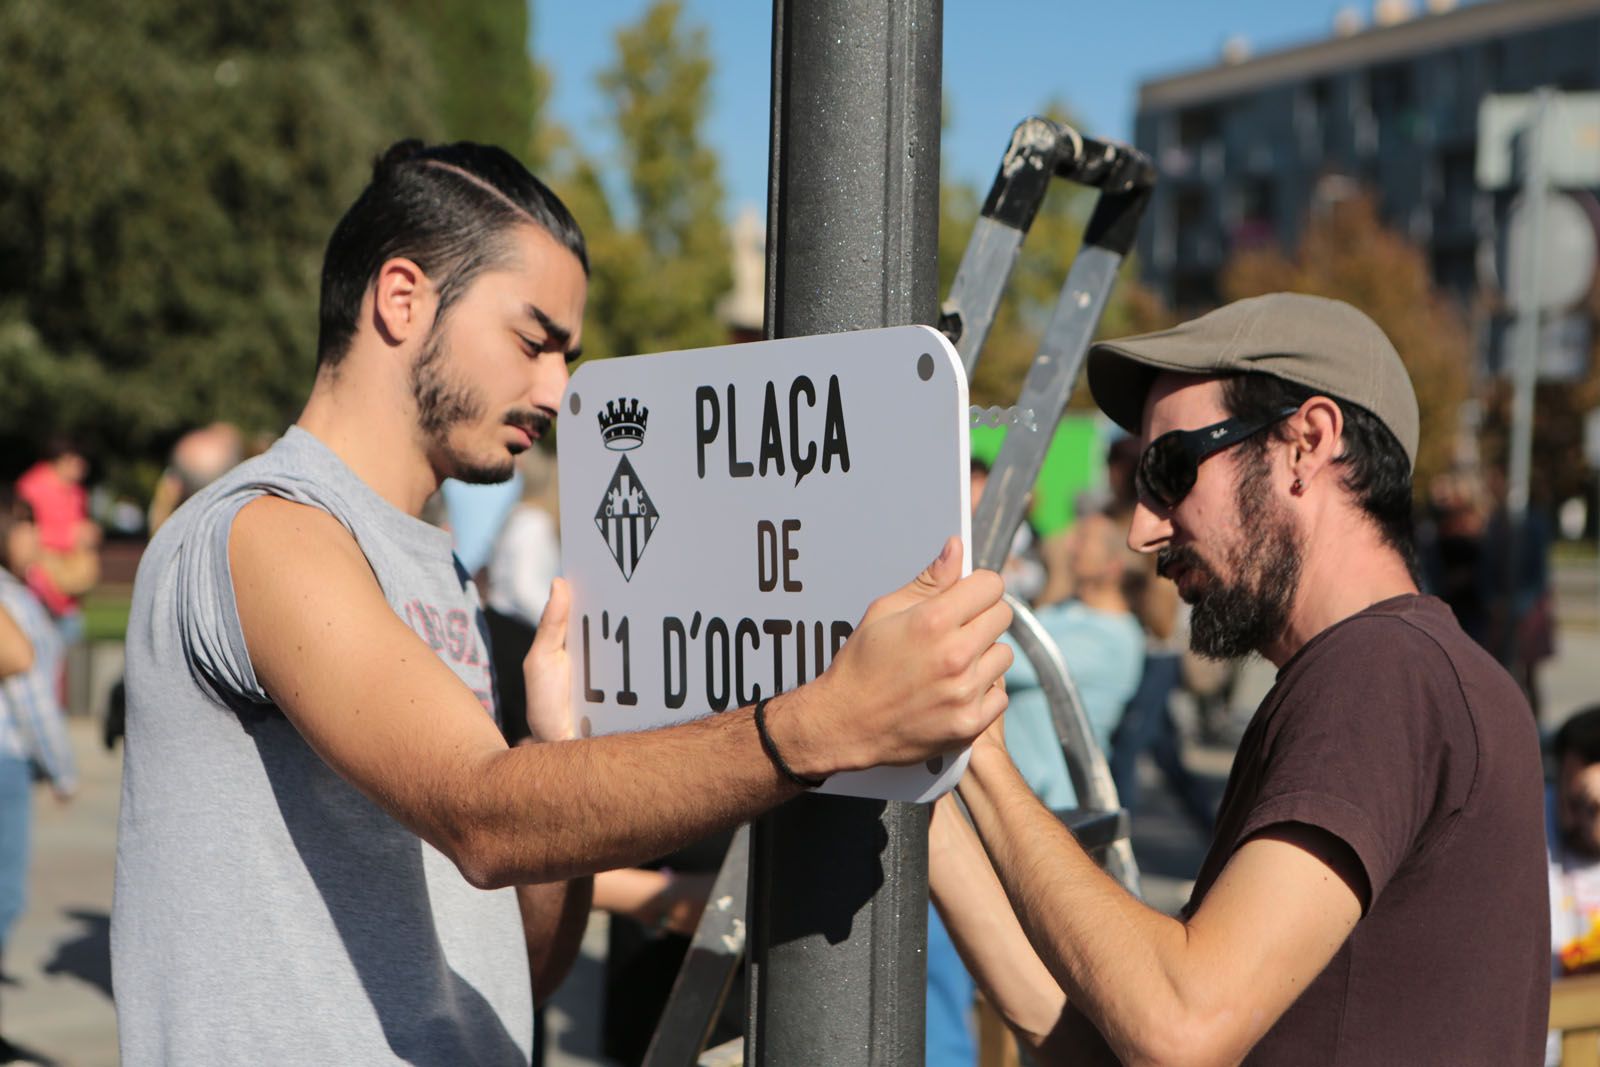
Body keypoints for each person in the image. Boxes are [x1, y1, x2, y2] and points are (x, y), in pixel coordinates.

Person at [111, 139, 1013, 1065]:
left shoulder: (431, 565)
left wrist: (553, 750)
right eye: (532, 340)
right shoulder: (266, 531)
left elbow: (524, 965)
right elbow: (480, 815)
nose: (557, 389)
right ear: (402, 299)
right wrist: (824, 723)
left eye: (567, 355)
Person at [929, 293, 1549, 1065]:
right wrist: (935, 789)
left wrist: (986, 757)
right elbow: (1111, 1031)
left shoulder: (1381, 672)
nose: (1143, 528)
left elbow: (1179, 1027)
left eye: (1169, 470)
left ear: (1306, 442)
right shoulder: (1384, 670)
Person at [0, 490, 78, 1063]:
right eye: (24, 525)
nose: (35, 537)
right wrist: (62, 768)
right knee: (4, 896)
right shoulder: (11, 599)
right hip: (7, 759)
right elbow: (28, 688)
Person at [1000, 511, 1145, 810]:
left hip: (1057, 800)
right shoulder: (1065, 609)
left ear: (1113, 565)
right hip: (1017, 791)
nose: (1070, 545)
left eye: (1083, 539)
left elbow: (1014, 662)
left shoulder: (1115, 637)